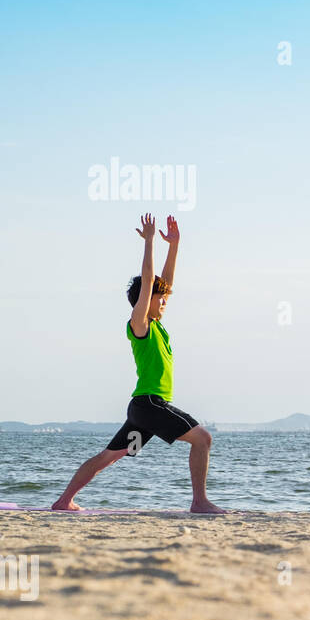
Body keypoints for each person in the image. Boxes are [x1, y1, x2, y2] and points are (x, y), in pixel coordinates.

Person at [52, 214, 225, 513]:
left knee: (110, 455)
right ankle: (199, 502)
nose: (165, 300)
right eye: (159, 297)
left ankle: (63, 501)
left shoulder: (157, 325)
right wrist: (148, 243)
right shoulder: (140, 324)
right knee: (202, 439)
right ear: (145, 300)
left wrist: (175, 246)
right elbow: (149, 280)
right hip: (150, 405)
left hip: (142, 413)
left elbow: (163, 283)